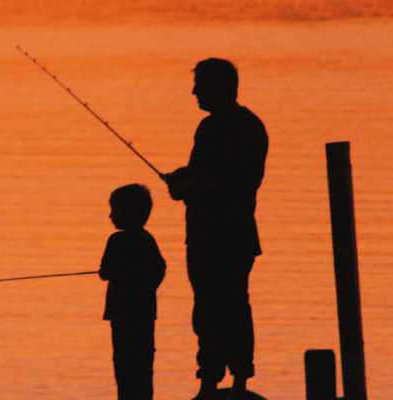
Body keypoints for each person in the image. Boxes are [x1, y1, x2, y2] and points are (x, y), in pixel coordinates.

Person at [165, 58, 268, 400]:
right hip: (229, 235)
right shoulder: (247, 125)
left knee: (217, 307)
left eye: (200, 85)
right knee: (225, 305)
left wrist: (187, 187)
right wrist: (185, 179)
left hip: (219, 236)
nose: (194, 92)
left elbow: (228, 181)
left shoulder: (218, 129)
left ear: (220, 87)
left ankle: (215, 381)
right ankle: (230, 379)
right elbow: (211, 175)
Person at [98, 184, 167, 400]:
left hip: (120, 314)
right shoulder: (147, 240)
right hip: (144, 314)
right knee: (143, 363)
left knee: (123, 363)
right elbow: (160, 268)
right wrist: (146, 288)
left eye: (114, 210)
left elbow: (104, 272)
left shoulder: (116, 241)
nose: (110, 215)